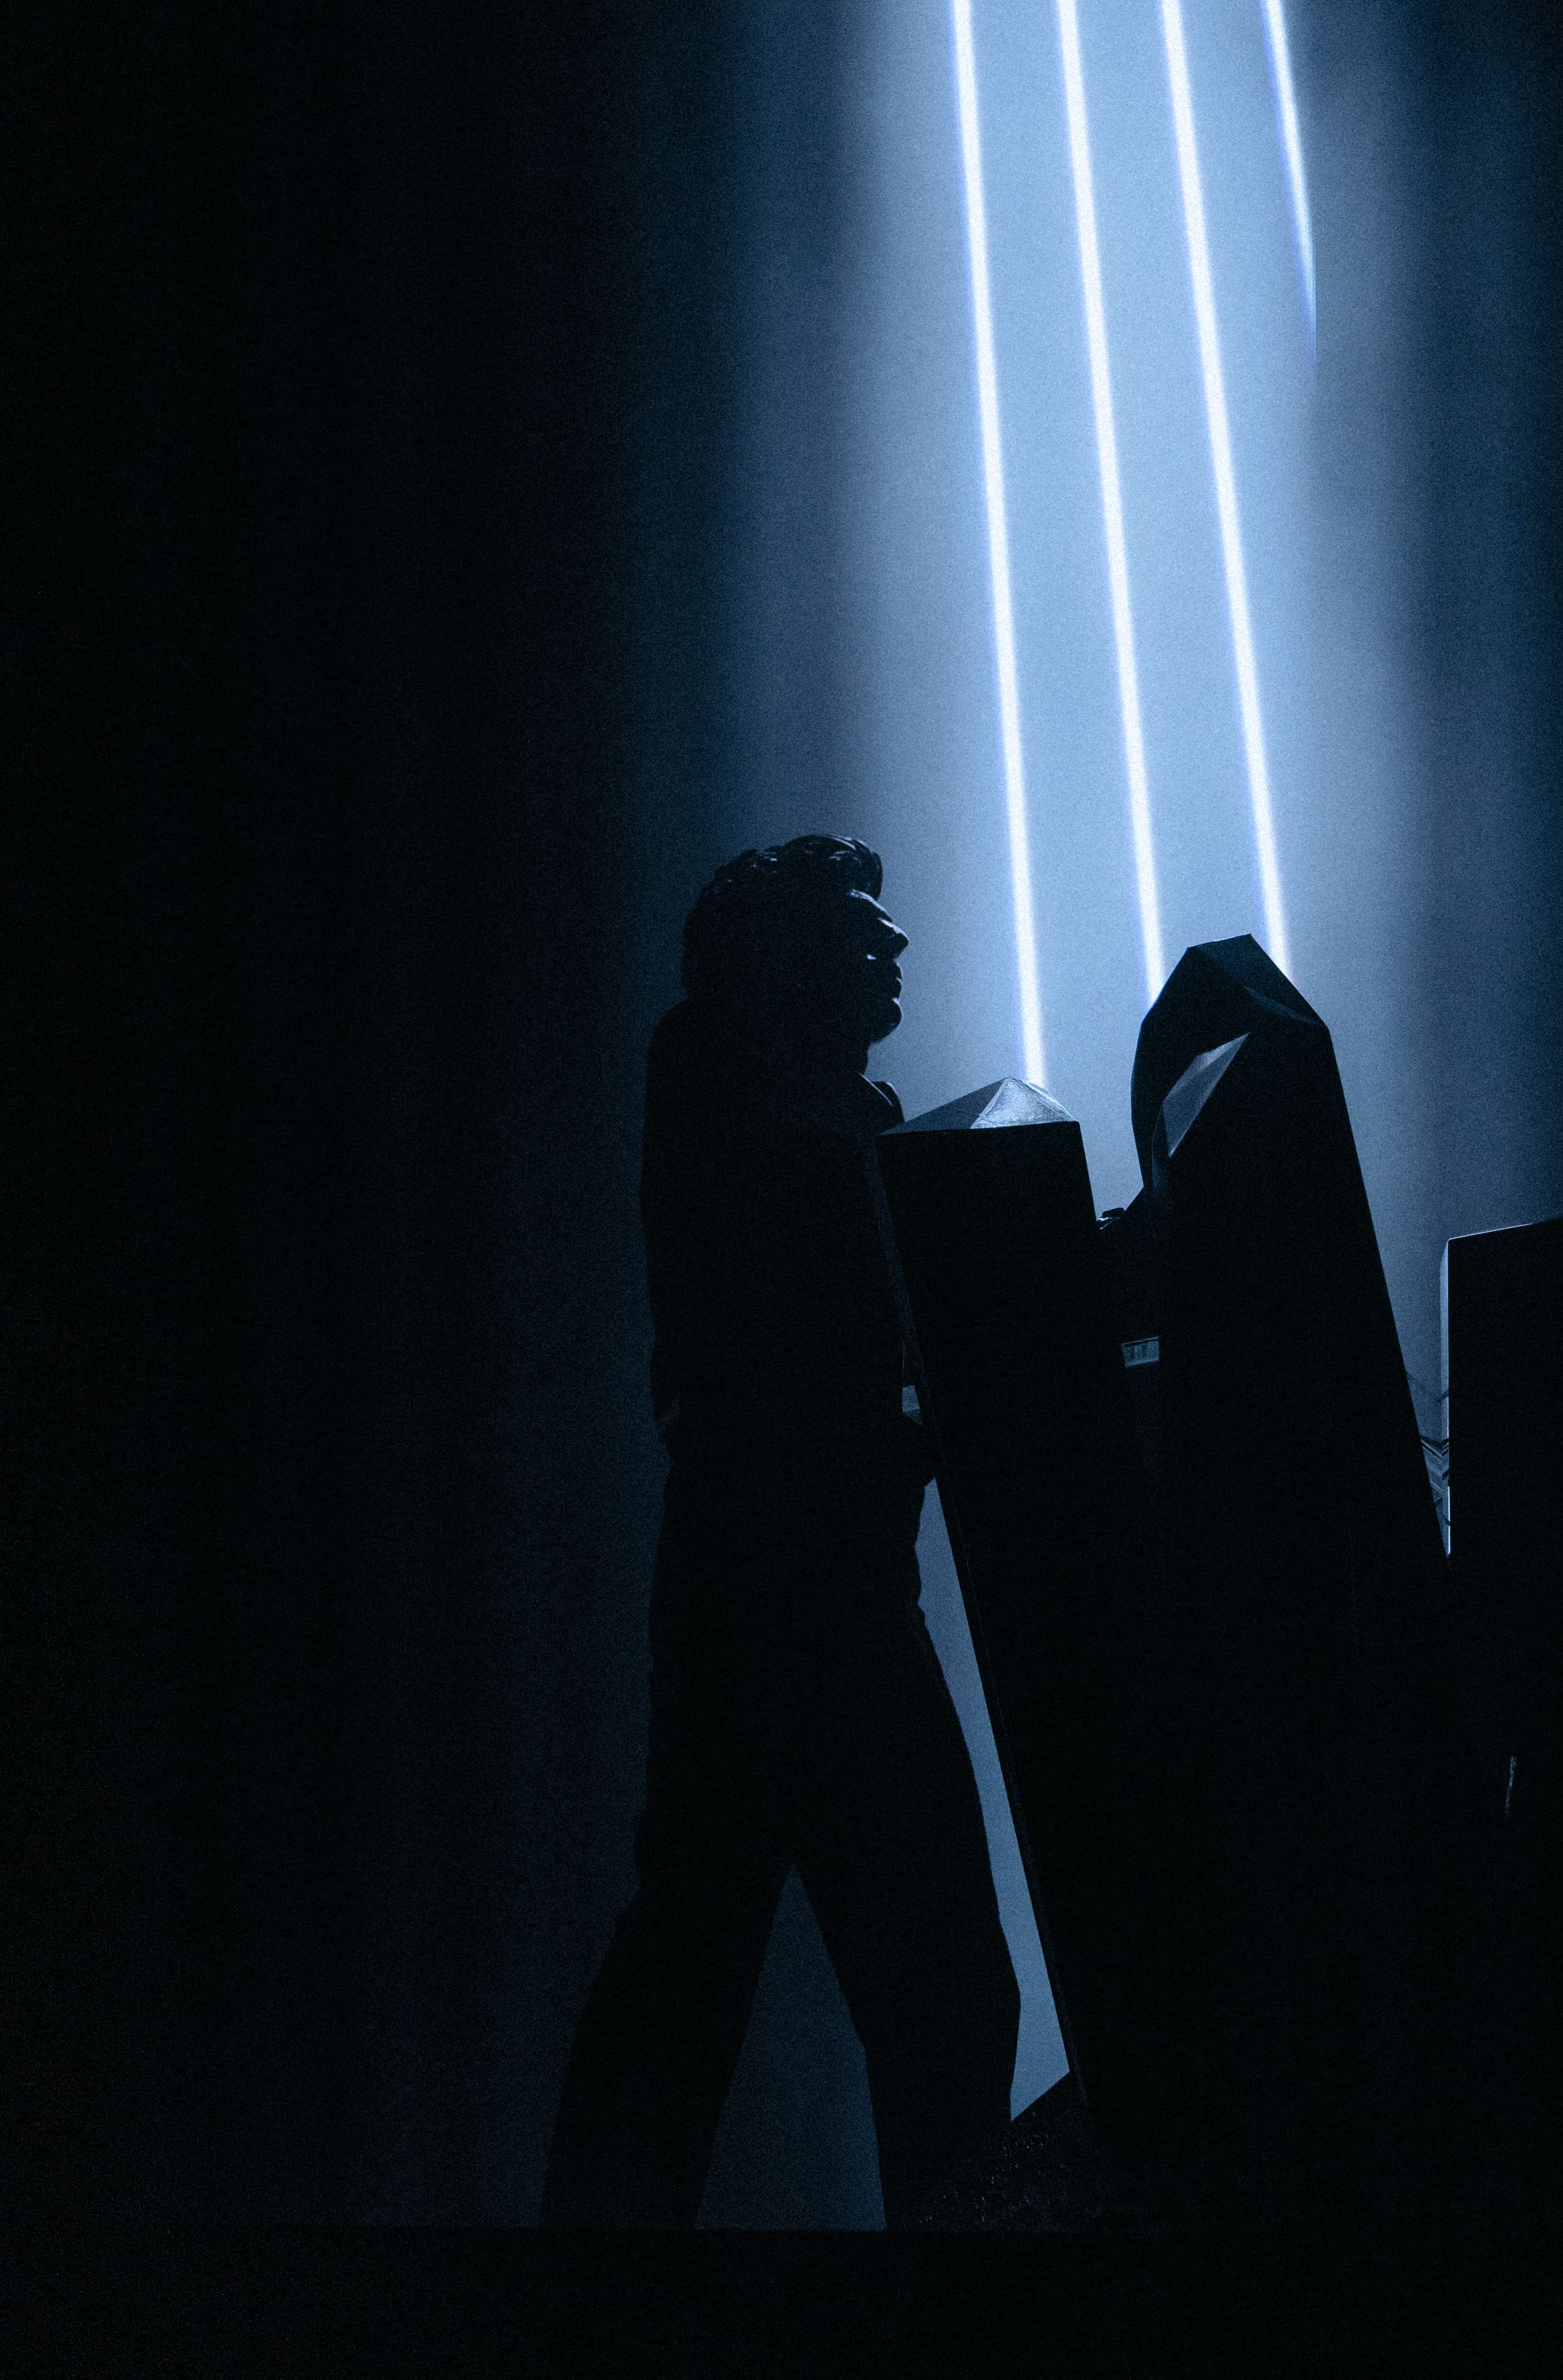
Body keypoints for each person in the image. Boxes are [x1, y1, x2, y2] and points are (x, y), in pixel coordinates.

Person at [539, 837, 1019, 2227]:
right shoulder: (732, 1082)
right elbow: (828, 1301)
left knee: (699, 1954)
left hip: (785, 1589)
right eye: (863, 929)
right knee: (915, 1984)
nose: (898, 952)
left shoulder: (822, 1105)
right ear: (781, 962)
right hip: (800, 1600)